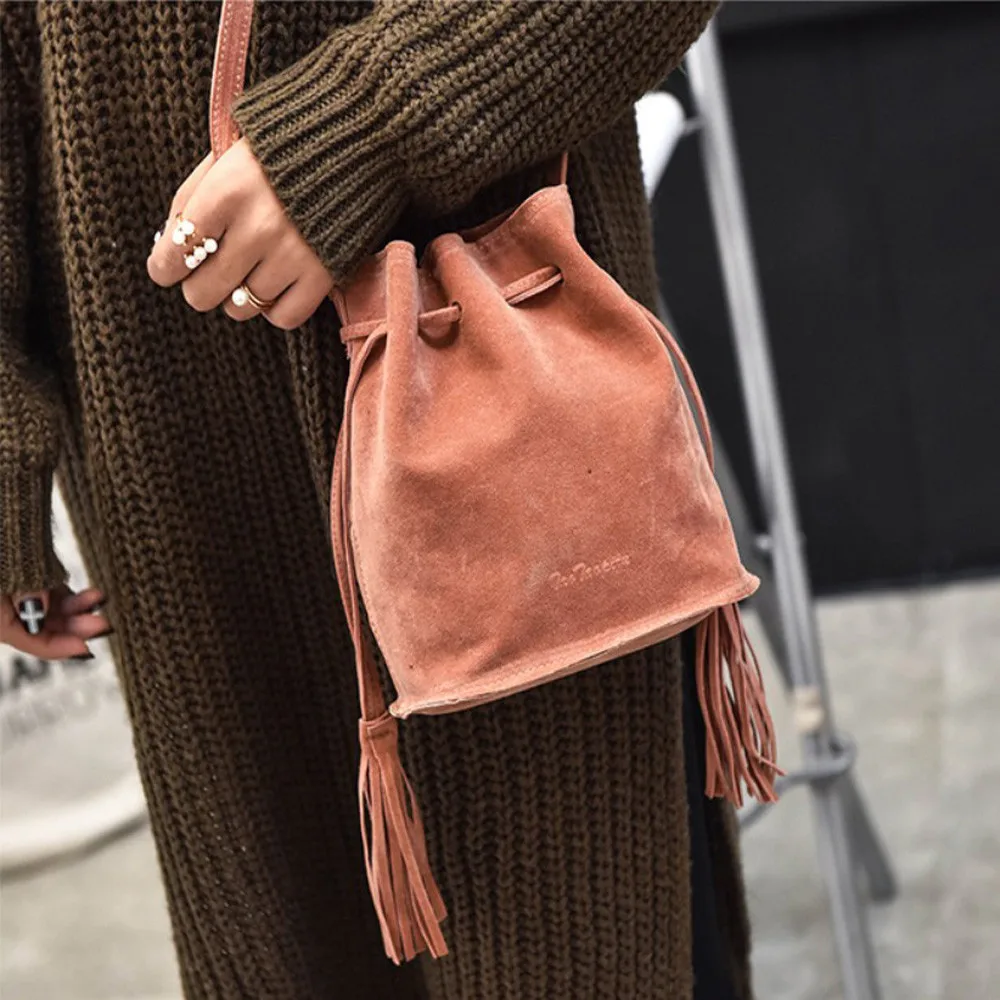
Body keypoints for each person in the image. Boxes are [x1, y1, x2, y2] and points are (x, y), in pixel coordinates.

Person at [0, 2, 753, 997]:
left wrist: (359, 132)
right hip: (175, 454)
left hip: (500, 405)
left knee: (578, 926)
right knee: (295, 928)